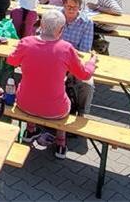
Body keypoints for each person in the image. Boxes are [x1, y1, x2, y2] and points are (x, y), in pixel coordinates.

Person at [6, 10, 97, 159]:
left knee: (32, 89)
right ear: (61, 30)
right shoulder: (66, 48)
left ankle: (30, 130)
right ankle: (61, 141)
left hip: (24, 104)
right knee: (65, 96)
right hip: (55, 110)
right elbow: (85, 74)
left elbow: (11, 61)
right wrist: (92, 61)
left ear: (41, 25)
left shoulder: (26, 42)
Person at [60, 0, 96, 114]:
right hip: (57, 60)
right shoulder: (56, 17)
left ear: (80, 7)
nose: (71, 9)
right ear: (63, 4)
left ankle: (82, 113)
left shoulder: (86, 22)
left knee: (87, 85)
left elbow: (84, 51)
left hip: (76, 60)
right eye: (68, 6)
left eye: (75, 7)